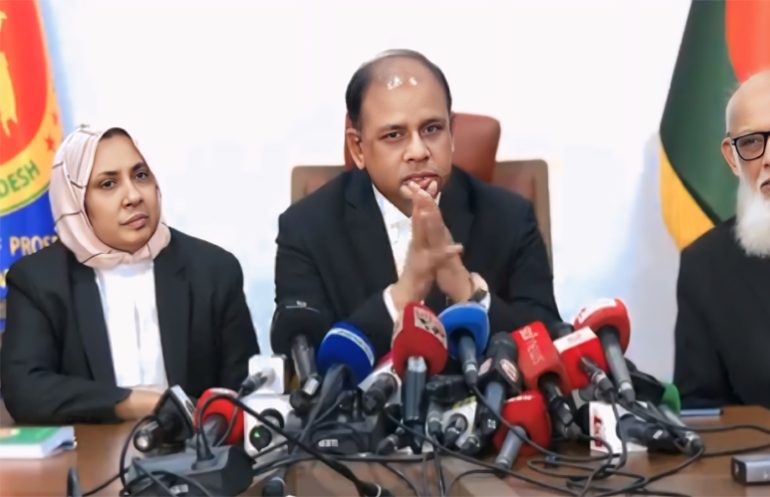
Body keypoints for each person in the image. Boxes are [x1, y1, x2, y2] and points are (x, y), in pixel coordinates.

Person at [273, 49, 561, 358]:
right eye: (394, 135)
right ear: (358, 147)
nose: (418, 151)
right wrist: (405, 292)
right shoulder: (306, 228)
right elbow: (309, 363)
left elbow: (547, 342)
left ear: (452, 133)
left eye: (432, 129)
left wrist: (466, 290)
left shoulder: (510, 217)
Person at [0, 125, 259, 424]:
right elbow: (26, 391)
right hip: (89, 450)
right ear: (76, 201)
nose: (133, 196)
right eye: (108, 184)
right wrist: (138, 403)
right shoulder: (39, 280)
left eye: (141, 175)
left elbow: (244, 389)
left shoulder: (212, 270)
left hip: (196, 448)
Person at [674, 70, 770, 418]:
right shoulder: (704, 265)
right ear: (732, 158)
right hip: (760, 452)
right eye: (752, 143)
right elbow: (702, 409)